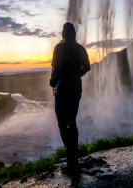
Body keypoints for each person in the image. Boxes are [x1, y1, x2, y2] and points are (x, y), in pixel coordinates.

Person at [50, 22, 90, 177]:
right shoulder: (80, 48)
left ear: (65, 33)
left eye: (66, 32)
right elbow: (87, 67)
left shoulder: (59, 48)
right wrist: (76, 75)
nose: (65, 34)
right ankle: (73, 154)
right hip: (75, 89)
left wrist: (53, 81)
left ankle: (71, 153)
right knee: (71, 121)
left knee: (62, 121)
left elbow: (56, 68)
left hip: (61, 90)